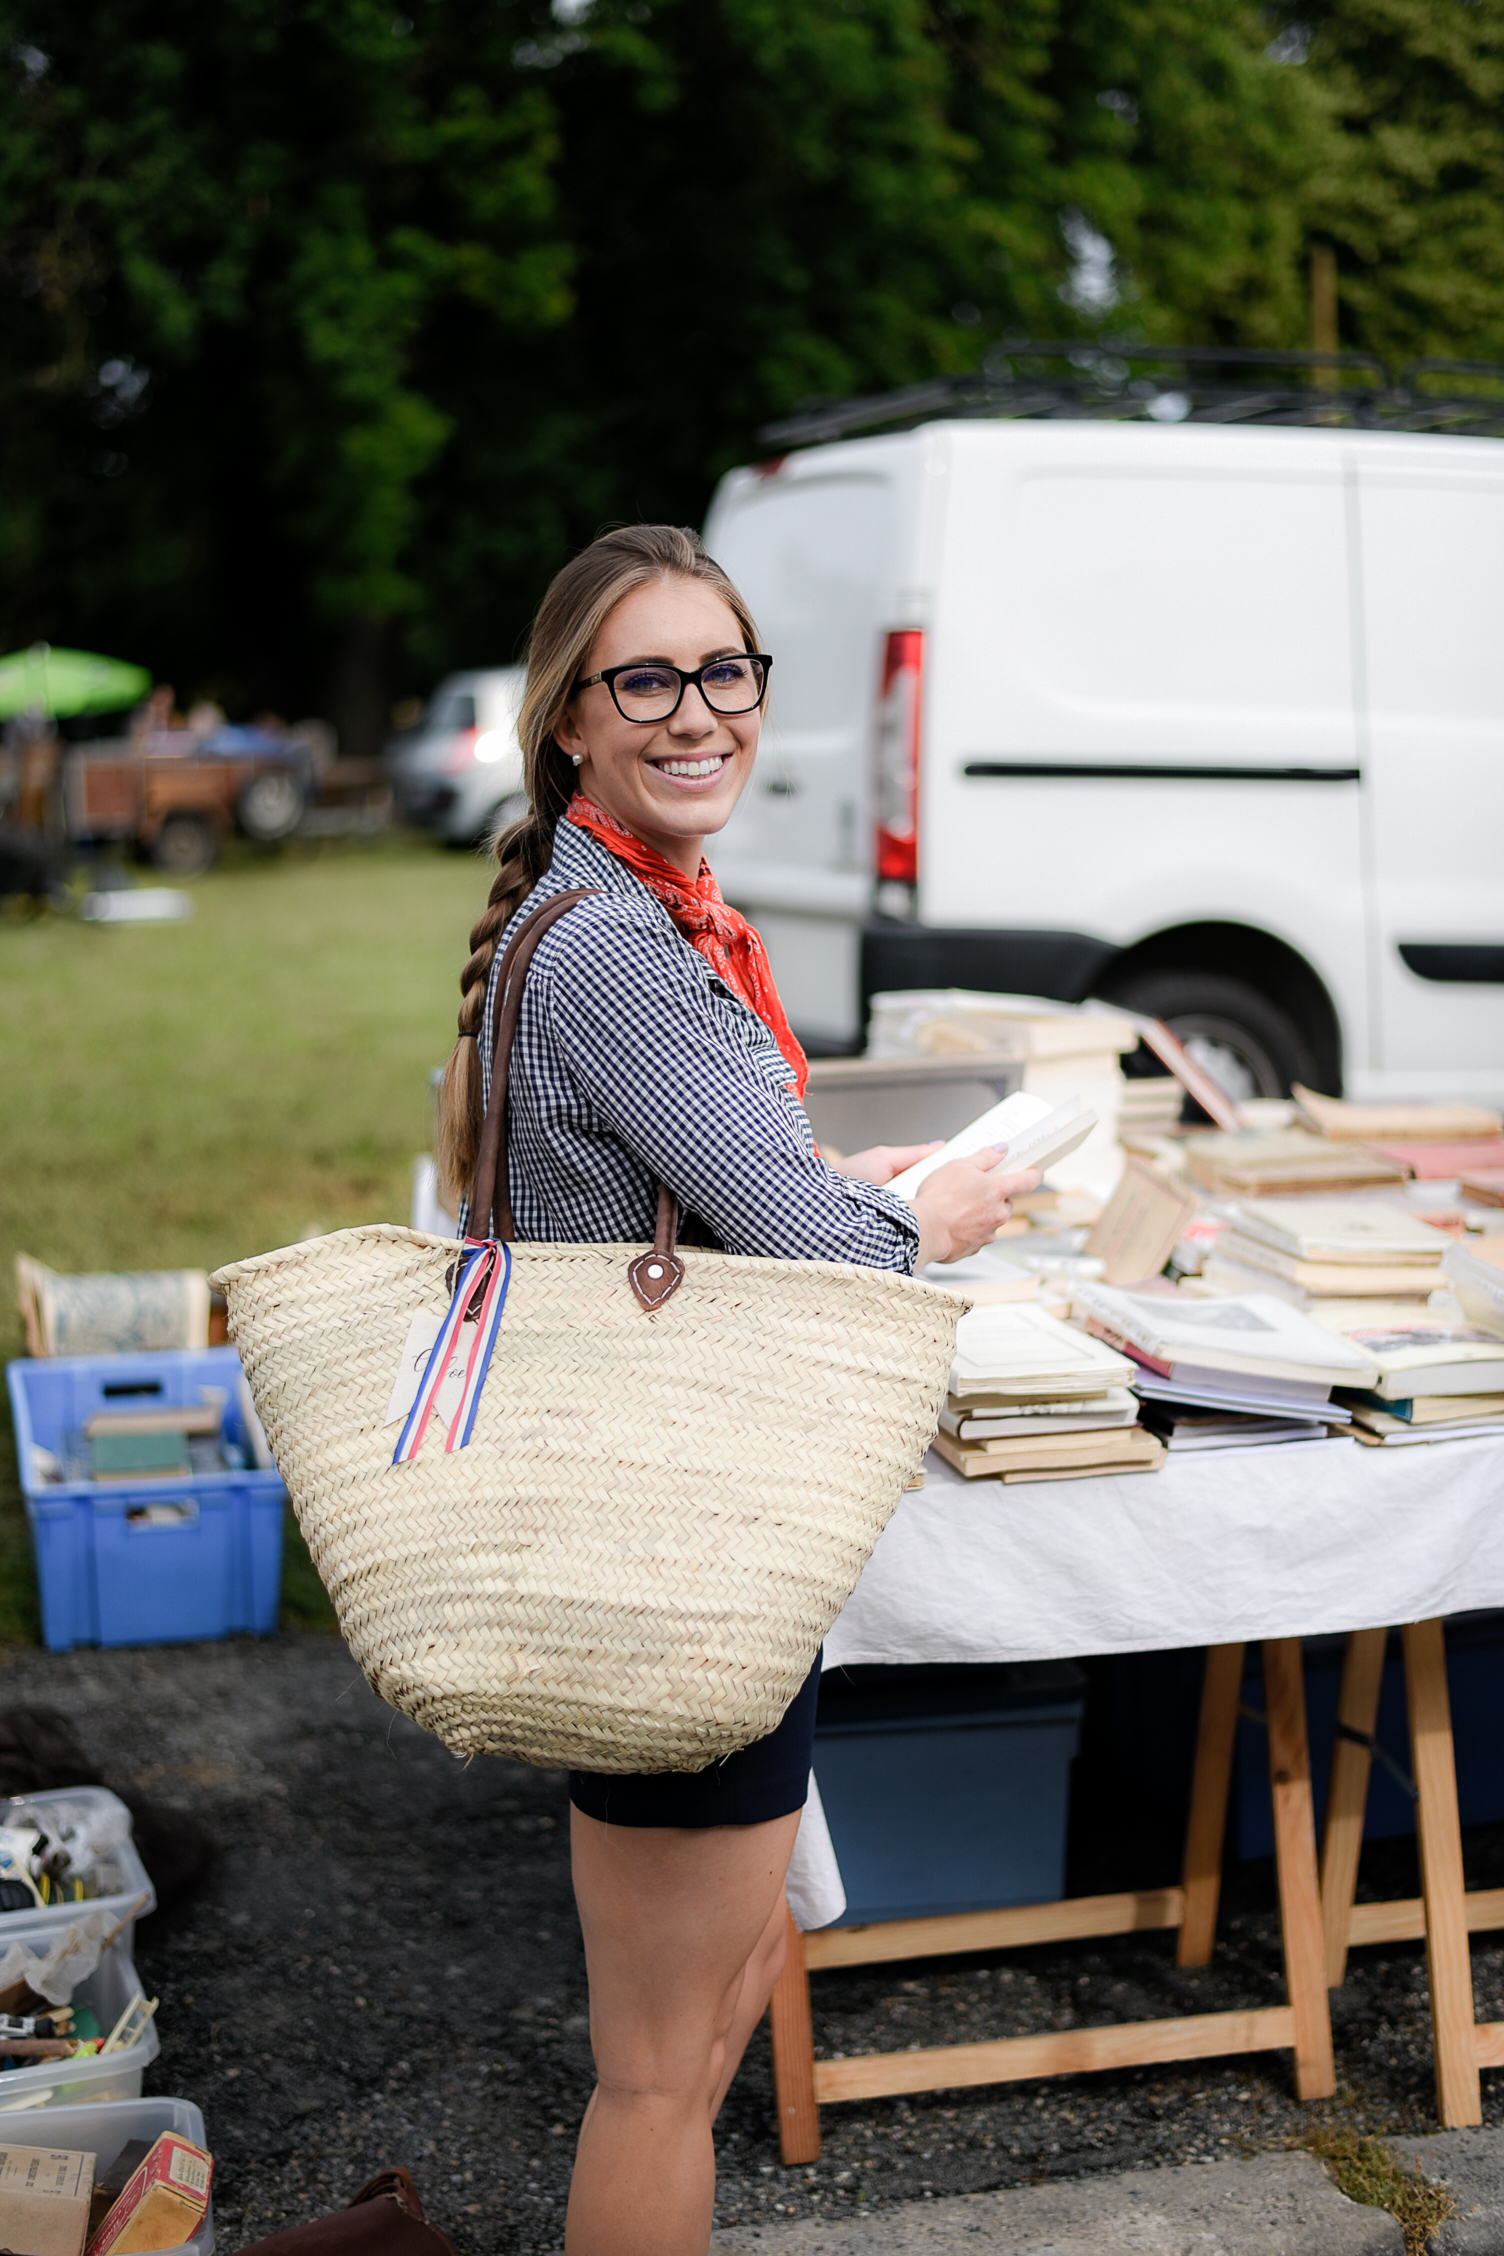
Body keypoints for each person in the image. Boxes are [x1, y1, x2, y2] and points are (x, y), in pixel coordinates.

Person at [434, 525, 1038, 2256]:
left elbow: (741, 1181)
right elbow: (830, 1256)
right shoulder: (617, 943)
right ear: (571, 718)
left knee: (692, 2041)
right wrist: (924, 1215)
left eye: (725, 670)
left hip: (694, 1537)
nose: (697, 711)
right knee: (658, 2075)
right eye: (648, 677)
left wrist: (864, 1187)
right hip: (675, 1552)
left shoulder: (635, 910)